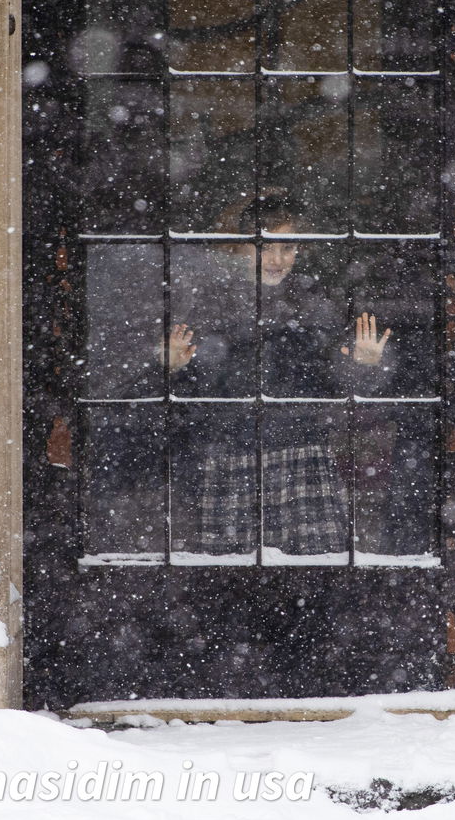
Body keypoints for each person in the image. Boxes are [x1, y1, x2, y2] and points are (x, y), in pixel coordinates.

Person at [167, 192, 398, 558]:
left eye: (288, 248)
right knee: (228, 582)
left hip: (302, 456)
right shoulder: (212, 303)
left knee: (314, 575)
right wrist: (177, 370)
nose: (277, 260)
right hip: (232, 458)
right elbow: (191, 398)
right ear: (242, 247)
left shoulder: (315, 303)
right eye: (266, 247)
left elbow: (338, 382)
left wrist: (363, 366)